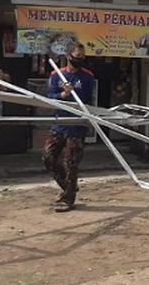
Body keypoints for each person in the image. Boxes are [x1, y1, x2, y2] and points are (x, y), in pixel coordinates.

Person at [43, 42, 95, 213]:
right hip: (59, 124)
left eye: (82, 57)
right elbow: (49, 97)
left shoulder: (87, 77)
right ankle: (68, 186)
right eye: (77, 56)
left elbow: (89, 101)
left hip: (77, 126)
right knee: (48, 157)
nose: (80, 59)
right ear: (68, 56)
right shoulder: (55, 75)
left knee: (70, 162)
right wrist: (63, 94)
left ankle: (68, 199)